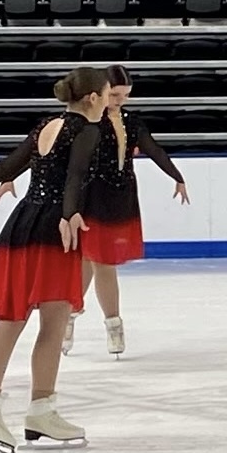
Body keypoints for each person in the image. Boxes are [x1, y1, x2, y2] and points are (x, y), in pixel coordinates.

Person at [0, 66, 109, 453]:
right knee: (53, 322)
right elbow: (75, 177)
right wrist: (70, 214)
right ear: (92, 99)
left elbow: (7, 166)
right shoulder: (87, 129)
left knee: (11, 319)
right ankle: (38, 411)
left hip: (20, 228)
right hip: (53, 232)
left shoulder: (46, 125)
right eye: (107, 95)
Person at [74, 68, 190, 357]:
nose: (119, 101)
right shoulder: (84, 122)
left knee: (98, 259)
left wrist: (177, 176)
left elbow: (153, 149)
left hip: (120, 196)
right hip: (89, 197)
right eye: (114, 95)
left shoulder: (131, 122)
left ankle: (82, 317)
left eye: (125, 96)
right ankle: (96, 320)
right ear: (100, 92)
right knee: (93, 259)